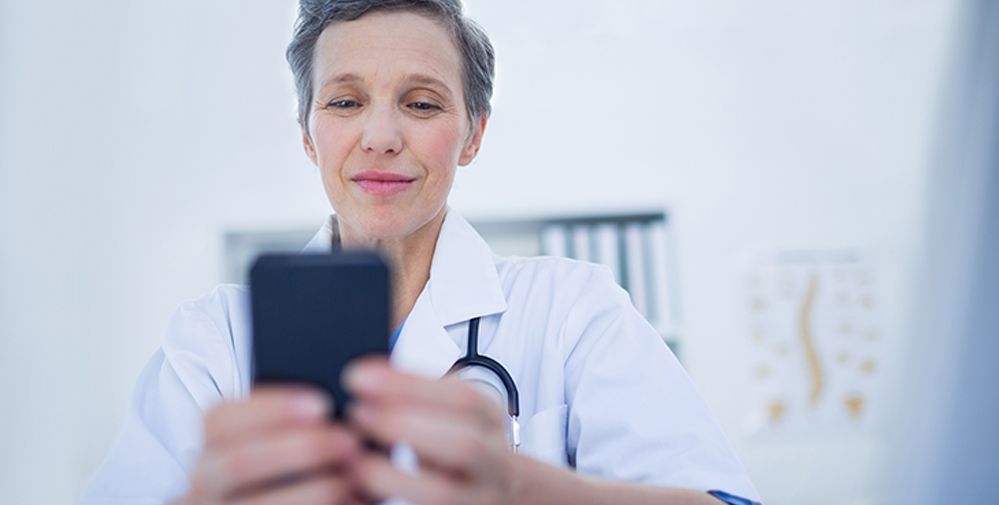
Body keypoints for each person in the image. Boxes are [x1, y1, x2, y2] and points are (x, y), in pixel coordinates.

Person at [81, 1, 761, 504]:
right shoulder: (214, 341)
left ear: (472, 135)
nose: (380, 135)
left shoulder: (570, 311)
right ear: (308, 134)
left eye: (422, 103)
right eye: (345, 101)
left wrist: (520, 486)